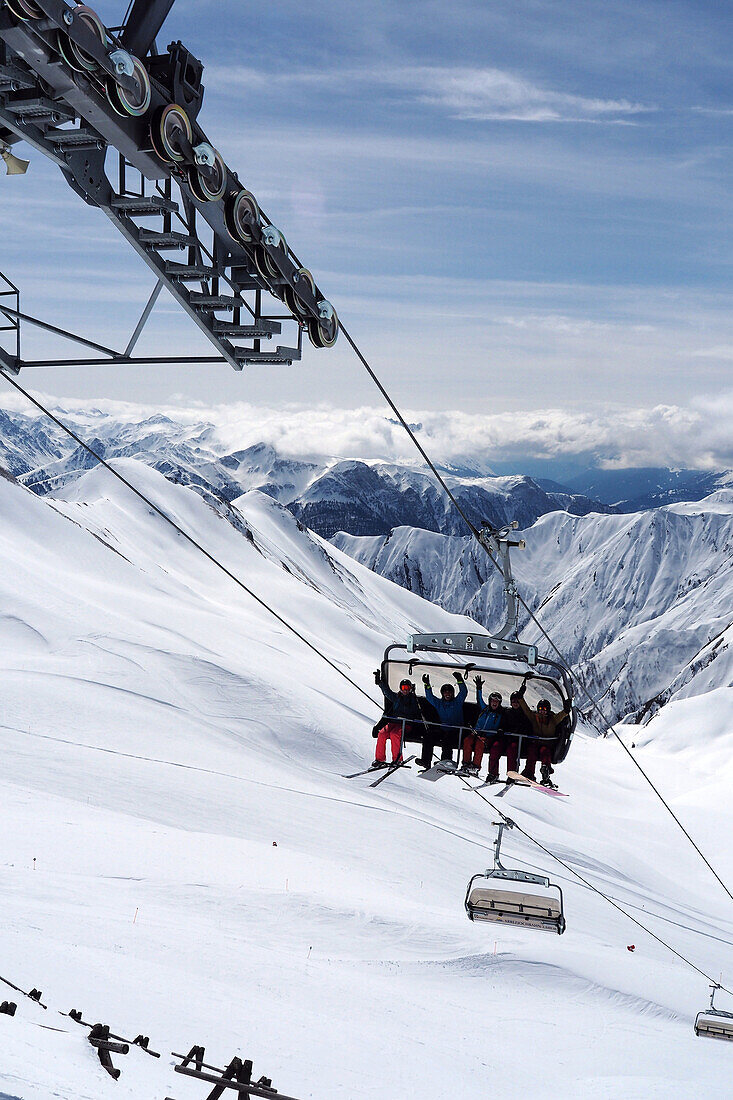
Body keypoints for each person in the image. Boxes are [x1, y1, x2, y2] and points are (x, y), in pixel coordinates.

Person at [516, 675, 570, 784]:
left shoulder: (553, 719)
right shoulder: (534, 717)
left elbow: (562, 715)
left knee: (545, 752)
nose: (542, 711)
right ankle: (529, 772)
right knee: (532, 752)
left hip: (547, 744)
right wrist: (520, 697)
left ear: (548, 710)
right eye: (540, 709)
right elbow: (526, 709)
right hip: (535, 743)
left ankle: (546, 771)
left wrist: (567, 709)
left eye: (544, 709)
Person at [372, 670, 423, 767]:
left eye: (407, 688)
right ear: (400, 688)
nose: (405, 690)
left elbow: (416, 710)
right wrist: (380, 682)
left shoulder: (413, 699)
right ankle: (379, 759)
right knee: (382, 734)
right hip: (394, 722)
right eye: (403, 688)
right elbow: (387, 692)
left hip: (405, 724)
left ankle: (397, 759)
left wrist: (413, 695)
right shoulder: (396, 698)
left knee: (394, 734)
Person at [419, 670, 467, 769]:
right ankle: (425, 760)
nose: (447, 694)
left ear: (452, 693)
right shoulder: (440, 704)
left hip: (456, 729)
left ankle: (446, 761)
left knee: (447, 740)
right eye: (445, 692)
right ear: (442, 694)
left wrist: (460, 680)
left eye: (449, 692)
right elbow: (430, 698)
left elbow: (464, 692)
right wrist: (427, 685)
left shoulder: (457, 702)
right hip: (444, 728)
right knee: (429, 737)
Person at [461, 679, 503, 776]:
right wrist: (479, 688)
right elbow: (479, 699)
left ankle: (475, 766)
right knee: (467, 740)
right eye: (493, 701)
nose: (494, 703)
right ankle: (466, 763)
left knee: (480, 743)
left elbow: (502, 725)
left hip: (487, 736)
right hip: (476, 733)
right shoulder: (484, 709)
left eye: (496, 701)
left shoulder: (500, 715)